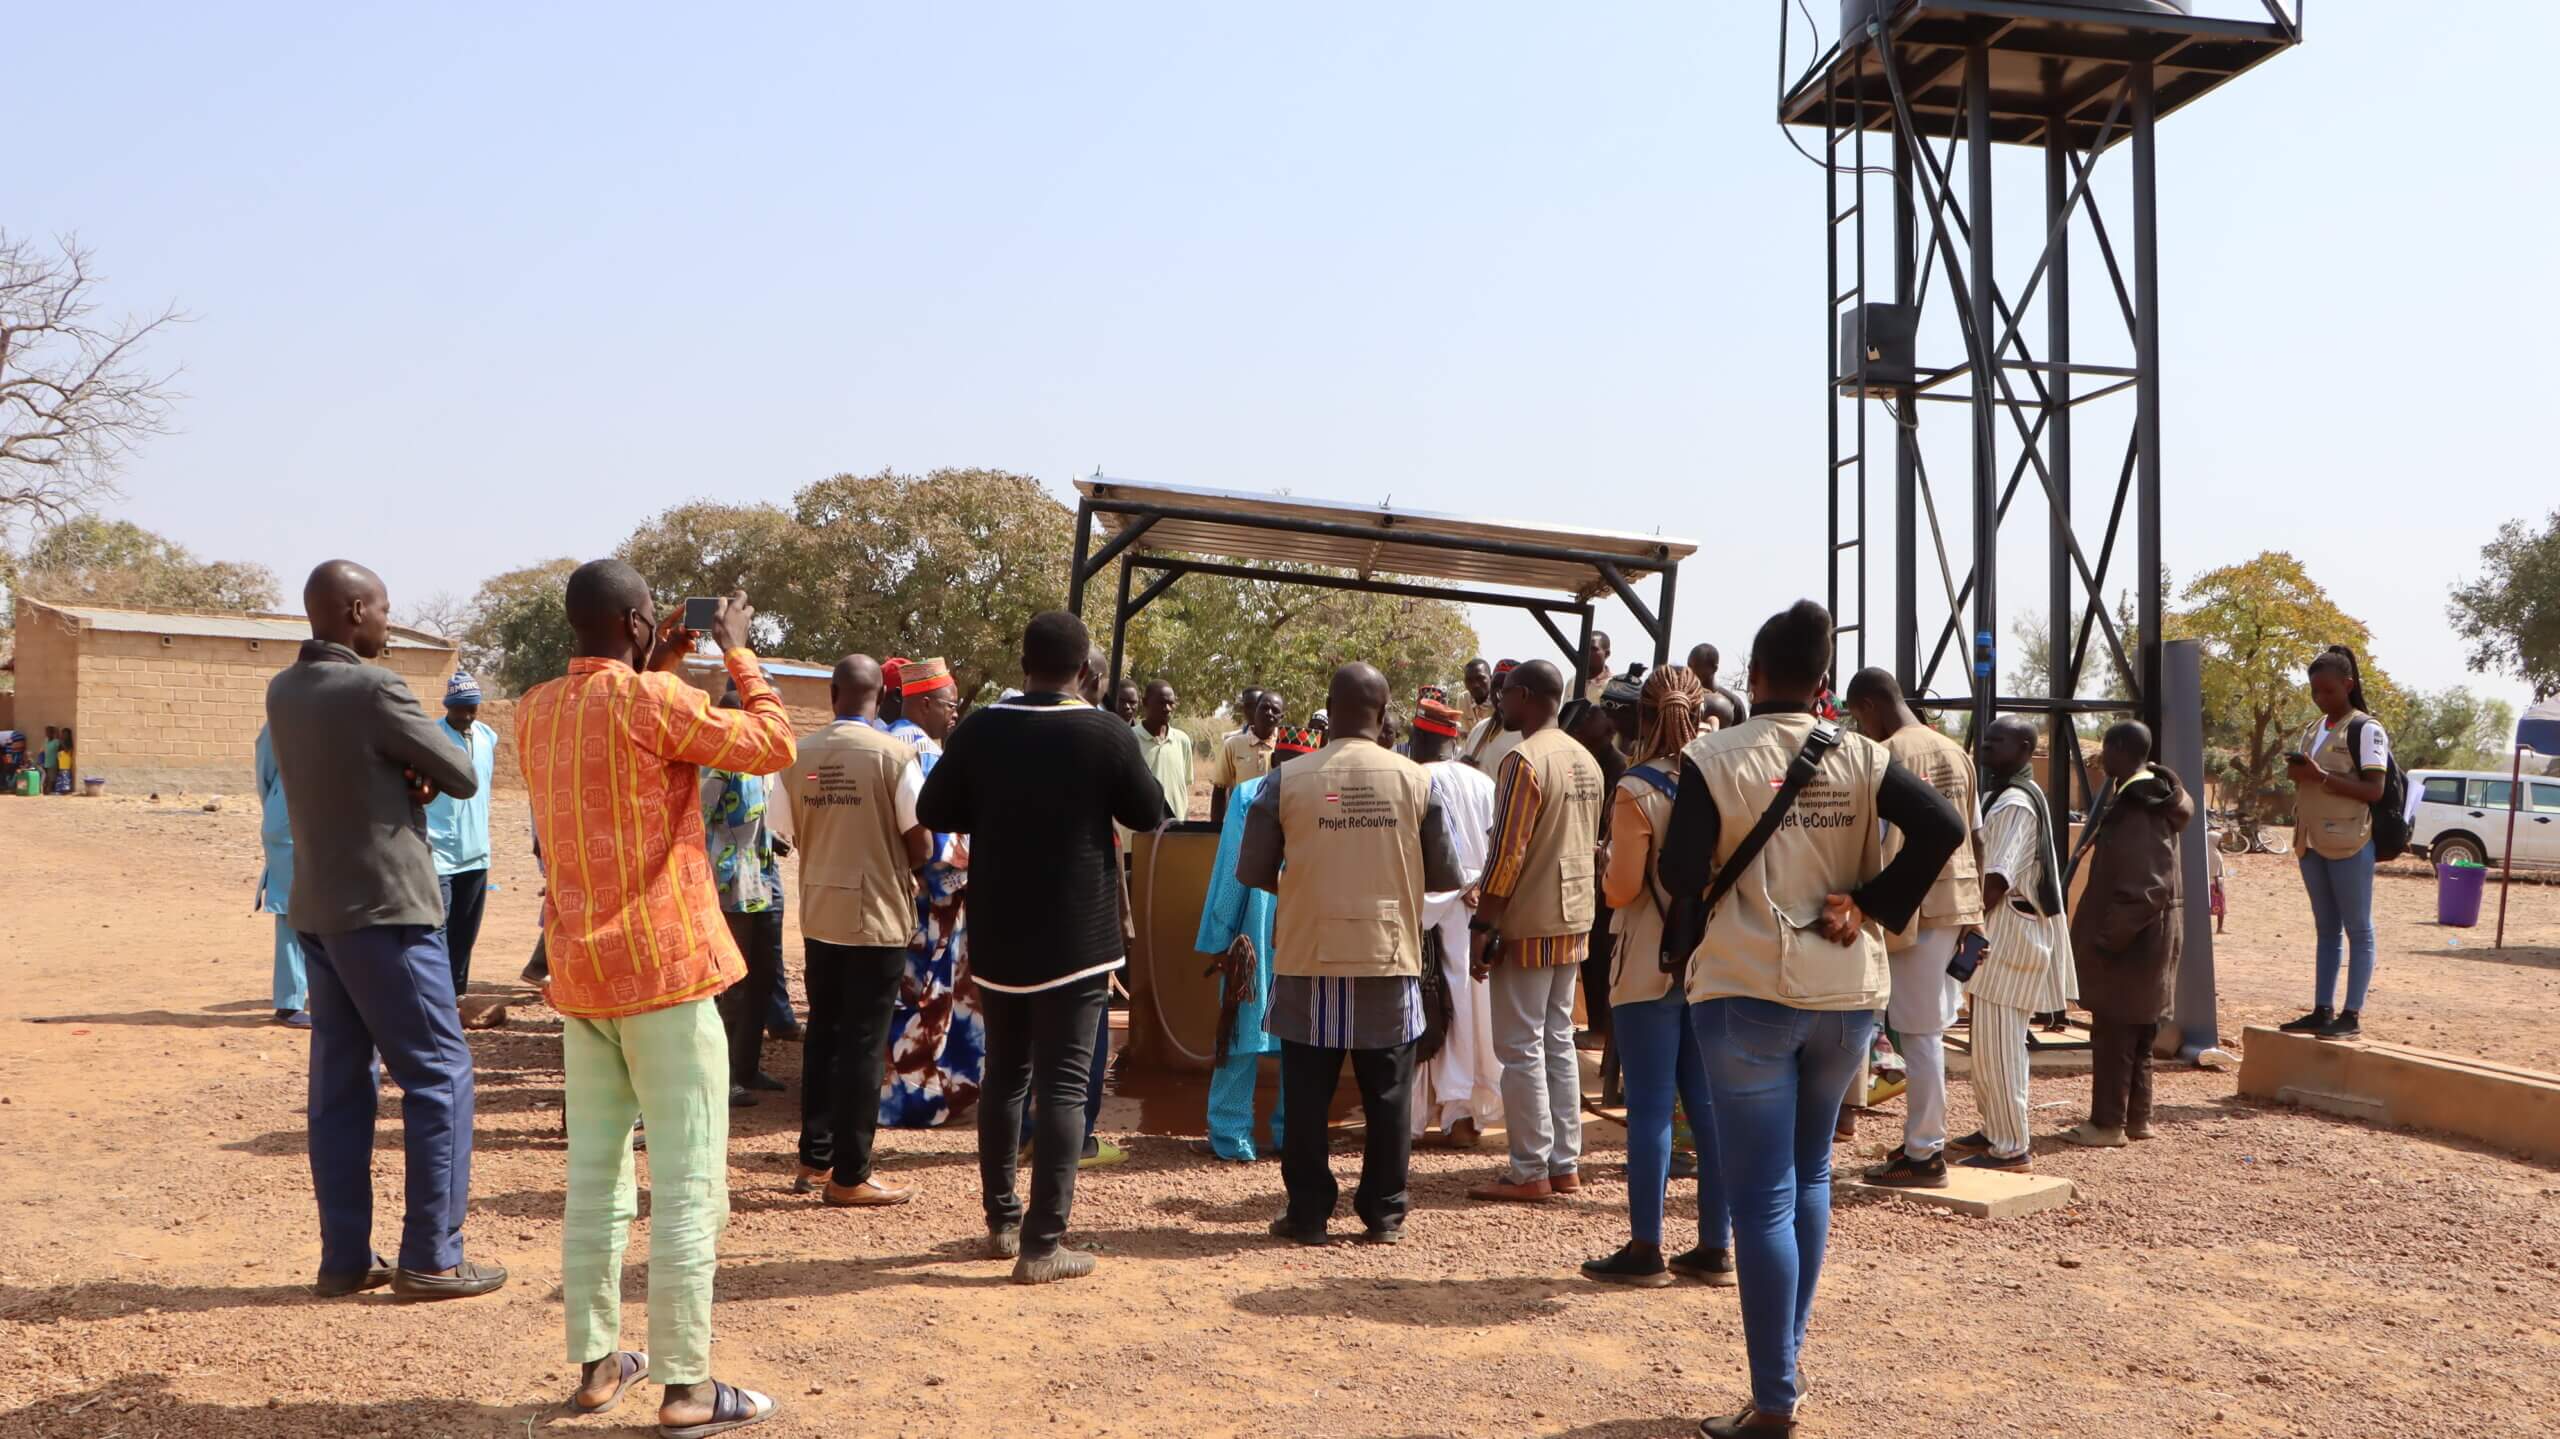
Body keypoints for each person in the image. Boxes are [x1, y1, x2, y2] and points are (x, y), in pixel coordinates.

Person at [1657, 599, 1966, 1437]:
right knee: (1811, 1177)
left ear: (1754, 678)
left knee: (1760, 1199)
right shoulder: (1862, 754)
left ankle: (1774, 1399)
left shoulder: (1711, 755)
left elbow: (1682, 871)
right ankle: (1785, 1364)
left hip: (1747, 988)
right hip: (1844, 997)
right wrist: (1871, 902)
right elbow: (1942, 825)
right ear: (1824, 683)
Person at [516, 561, 794, 1433]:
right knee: (686, 1179)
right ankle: (687, 1385)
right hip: (667, 975)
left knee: (594, 1178)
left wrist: (660, 657)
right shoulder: (649, 704)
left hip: (584, 979)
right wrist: (739, 652)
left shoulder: (532, 710)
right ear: (638, 621)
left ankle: (600, 1364)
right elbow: (774, 743)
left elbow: (621, 741)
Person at [263, 559, 497, 1303]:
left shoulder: (285, 688)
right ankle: (431, 1254)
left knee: (340, 1088)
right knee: (440, 1074)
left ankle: (344, 1258)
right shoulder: (374, 687)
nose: (389, 623)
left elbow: (357, 771)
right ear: (354, 608)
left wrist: (403, 772)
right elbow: (459, 770)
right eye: (385, 610)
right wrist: (417, 770)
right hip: (389, 914)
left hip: (318, 914)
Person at [915, 611, 1168, 1283]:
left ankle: (1002, 1222)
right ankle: (1042, 1242)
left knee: (1006, 1075)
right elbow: (1151, 812)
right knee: (1061, 1081)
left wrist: (997, 811)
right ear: (1084, 669)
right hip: (1079, 939)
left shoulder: (980, 729)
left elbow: (935, 809)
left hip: (999, 931)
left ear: (1024, 662)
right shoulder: (1105, 731)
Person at [1242, 666, 1465, 1246]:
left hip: (1307, 954)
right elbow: (1444, 874)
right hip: (1386, 956)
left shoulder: (1286, 779)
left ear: (1328, 706)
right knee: (1387, 1095)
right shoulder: (1417, 781)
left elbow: (1254, 870)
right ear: (1385, 710)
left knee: (1308, 1094)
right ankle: (1384, 1214)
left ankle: (1309, 1215)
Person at [1583, 665, 1733, 1289]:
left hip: (1647, 955)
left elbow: (1621, 890)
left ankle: (1645, 1247)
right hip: (1712, 959)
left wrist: (1602, 865)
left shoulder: (1636, 788)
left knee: (1648, 1107)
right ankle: (1714, 1247)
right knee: (1707, 1106)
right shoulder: (1724, 777)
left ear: (1642, 715)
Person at [779, 654, 929, 1203]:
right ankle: (851, 1175)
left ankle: (813, 1160)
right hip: (878, 918)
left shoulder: (798, 755)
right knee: (865, 1044)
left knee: (823, 1035)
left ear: (832, 694)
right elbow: (922, 843)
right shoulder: (895, 755)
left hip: (821, 912)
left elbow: (784, 830)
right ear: (881, 695)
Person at [1842, 668, 1986, 1191]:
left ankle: (1925, 1153)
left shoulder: (1891, 756)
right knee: (1929, 1029)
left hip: (1918, 908)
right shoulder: (1956, 751)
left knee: (1921, 1033)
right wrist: (1976, 916)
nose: (1861, 728)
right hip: (1957, 902)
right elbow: (1975, 837)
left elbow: (1877, 843)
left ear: (1871, 706)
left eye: (1859, 717)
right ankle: (1921, 1142)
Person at [1467, 659, 1605, 1204]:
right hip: (1573, 919)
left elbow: (1507, 852)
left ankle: (1528, 1170)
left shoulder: (1523, 760)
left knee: (1520, 1045)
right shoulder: (1585, 761)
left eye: (1506, 694)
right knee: (1557, 1040)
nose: (1500, 702)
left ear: (1525, 696)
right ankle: (1562, 1162)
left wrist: (1485, 922)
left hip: (1528, 921)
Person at [1953, 716, 2078, 1173]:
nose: (1986, 746)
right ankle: (1993, 1131)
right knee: (1987, 1045)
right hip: (2005, 931)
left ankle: (2011, 1148)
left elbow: (1996, 880)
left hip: (2010, 933)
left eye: (1997, 740)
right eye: (1985, 739)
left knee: (2000, 1046)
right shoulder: (2004, 795)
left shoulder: (2015, 804)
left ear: (2026, 747)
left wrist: (1965, 925)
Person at [2063, 721, 2192, 1148]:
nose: (2102, 760)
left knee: (2115, 1034)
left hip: (2133, 941)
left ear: (2120, 749)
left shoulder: (2138, 804)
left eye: (2106, 750)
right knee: (2138, 1034)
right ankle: (2137, 1118)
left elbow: (2145, 886)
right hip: (2147, 939)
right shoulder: (2152, 797)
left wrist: (2108, 938)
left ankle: (2107, 1124)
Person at [1191, 725, 1313, 1162]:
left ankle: (1231, 1134)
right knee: (1300, 1039)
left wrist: (1220, 937)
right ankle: (1292, 1134)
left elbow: (1232, 872)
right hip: (1307, 932)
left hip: (1255, 930)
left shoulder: (1248, 796)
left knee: (1241, 1025)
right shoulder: (1323, 795)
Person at [880, 655, 986, 1129]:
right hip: (928, 903)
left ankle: (878, 1094)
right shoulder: (924, 752)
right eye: (948, 703)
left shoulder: (877, 741)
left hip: (880, 897)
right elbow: (941, 844)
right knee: (925, 999)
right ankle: (915, 1103)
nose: (954, 712)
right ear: (923, 703)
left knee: (889, 997)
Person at [1407, 690, 1502, 1149]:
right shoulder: (1482, 783)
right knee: (1469, 1011)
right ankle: (1462, 1118)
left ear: (1416, 734)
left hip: (1428, 916)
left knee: (1424, 1005)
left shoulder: (1412, 779)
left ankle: (1417, 1118)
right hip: (1477, 915)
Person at [2280, 645, 2388, 1042]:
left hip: (2350, 842)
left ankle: (2351, 1014)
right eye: (2315, 692)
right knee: (2326, 929)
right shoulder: (2313, 728)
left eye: (2327, 691)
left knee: (2358, 930)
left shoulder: (2366, 729)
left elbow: (2374, 790)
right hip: (2311, 841)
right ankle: (2322, 1010)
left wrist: (2321, 777)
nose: (2321, 699)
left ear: (2348, 685)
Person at [702, 688, 791, 1109]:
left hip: (764, 880)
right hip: (730, 885)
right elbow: (699, 819)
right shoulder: (720, 763)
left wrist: (774, 838)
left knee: (762, 976)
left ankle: (749, 1068)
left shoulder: (761, 764)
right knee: (733, 984)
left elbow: (758, 818)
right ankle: (727, 1077)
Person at [423, 670, 498, 1000]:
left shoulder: (487, 736)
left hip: (477, 849)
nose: (466, 716)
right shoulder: (430, 738)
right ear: (448, 707)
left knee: (466, 928)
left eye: (472, 709)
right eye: (460, 710)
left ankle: (456, 993)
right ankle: (433, 993)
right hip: (439, 848)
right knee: (438, 924)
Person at [1565, 698, 1625, 1054]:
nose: (1591, 717)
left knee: (1601, 951)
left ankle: (1601, 1029)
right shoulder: (1591, 764)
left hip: (1607, 873)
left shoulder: (1614, 766)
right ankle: (1596, 1026)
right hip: (1591, 873)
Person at [253, 724, 310, 1028]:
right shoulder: (281, 721)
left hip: (329, 823)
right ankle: (289, 1003)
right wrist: (278, 802)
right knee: (290, 911)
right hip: (288, 823)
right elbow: (265, 773)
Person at [1122, 679, 1194, 849]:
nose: (1167, 708)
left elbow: (1184, 786)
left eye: (1171, 703)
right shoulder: (1128, 739)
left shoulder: (1182, 741)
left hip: (1175, 833)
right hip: (1136, 837)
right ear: (1145, 703)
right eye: (1162, 703)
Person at [1211, 690, 1283, 823]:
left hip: (1274, 825)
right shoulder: (1233, 745)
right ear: (1256, 710)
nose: (1269, 713)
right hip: (1240, 824)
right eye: (1264, 708)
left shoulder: (1284, 747)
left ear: (1281, 717)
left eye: (1275, 710)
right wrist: (1216, 830)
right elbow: (1219, 790)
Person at [1463, 660, 1524, 773]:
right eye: (1495, 686)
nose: (1498, 694)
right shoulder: (1479, 728)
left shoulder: (1526, 735)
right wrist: (1461, 766)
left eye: (1505, 688)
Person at [1461, 659, 1496, 735]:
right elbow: (1463, 735)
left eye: (1480, 678)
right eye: (1469, 680)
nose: (1475, 685)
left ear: (1491, 678)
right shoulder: (1463, 699)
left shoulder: (1499, 702)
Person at [1583, 631, 1614, 705]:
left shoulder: (1613, 686)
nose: (1587, 652)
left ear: (1607, 654)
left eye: (1593, 649)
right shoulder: (1572, 682)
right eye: (1584, 647)